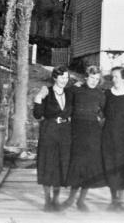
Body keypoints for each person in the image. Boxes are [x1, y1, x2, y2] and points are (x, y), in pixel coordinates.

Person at [62, 65, 106, 212]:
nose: (94, 81)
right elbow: (63, 94)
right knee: (77, 165)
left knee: (88, 167)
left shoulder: (100, 94)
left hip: (93, 133)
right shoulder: (76, 90)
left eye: (97, 79)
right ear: (86, 77)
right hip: (77, 131)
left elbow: (106, 113)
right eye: (92, 78)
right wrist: (73, 85)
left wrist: (100, 123)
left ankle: (81, 201)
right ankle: (70, 199)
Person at [33, 66, 72, 212]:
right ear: (55, 77)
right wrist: (38, 97)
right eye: (62, 77)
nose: (64, 80)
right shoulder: (46, 92)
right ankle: (47, 200)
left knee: (61, 165)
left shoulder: (70, 93)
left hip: (65, 133)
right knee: (48, 164)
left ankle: (56, 199)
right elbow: (37, 115)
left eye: (67, 78)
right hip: (49, 131)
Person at [102, 66, 124, 211]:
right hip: (108, 134)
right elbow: (102, 112)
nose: (113, 79)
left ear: (123, 78)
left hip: (123, 135)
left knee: (122, 166)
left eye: (116, 76)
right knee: (110, 165)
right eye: (112, 77)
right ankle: (113, 200)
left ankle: (121, 200)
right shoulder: (107, 94)